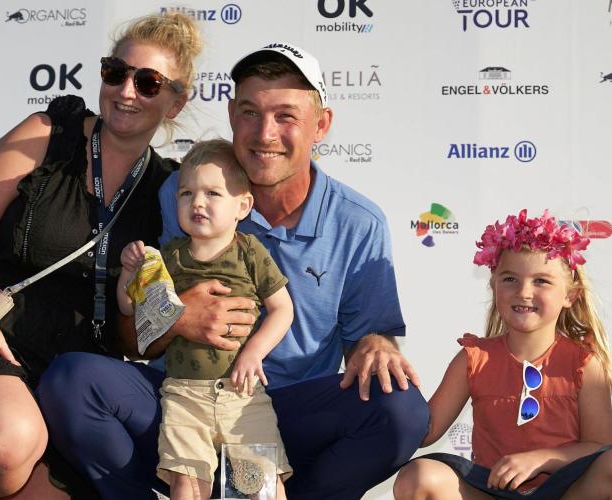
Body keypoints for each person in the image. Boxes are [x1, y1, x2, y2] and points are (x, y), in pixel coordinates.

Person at [39, 41, 429, 500]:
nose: (264, 133)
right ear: (230, 114)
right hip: (181, 398)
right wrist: (178, 319)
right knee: (73, 380)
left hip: (286, 413)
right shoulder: (180, 193)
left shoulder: (359, 221)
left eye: (285, 116)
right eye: (249, 113)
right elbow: (133, 338)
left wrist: (376, 345)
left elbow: (369, 337)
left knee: (400, 407)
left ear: (321, 125)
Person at [0, 11, 202, 499]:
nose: (126, 91)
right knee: (7, 440)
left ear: (176, 101)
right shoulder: (48, 134)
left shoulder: (169, 190)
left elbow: (138, 330)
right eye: (115, 73)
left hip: (74, 376)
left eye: (148, 83)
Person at [393, 209, 612, 499]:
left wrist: (542, 459)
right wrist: (389, 398)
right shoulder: (473, 358)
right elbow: (426, 431)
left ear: (570, 295)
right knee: (419, 475)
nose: (524, 292)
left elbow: (600, 447)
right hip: (490, 491)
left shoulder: (584, 362)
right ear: (493, 284)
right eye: (510, 279)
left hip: (566, 493)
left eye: (541, 281)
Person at [118, 138, 293, 499]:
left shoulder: (250, 252)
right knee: (186, 483)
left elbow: (283, 309)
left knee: (260, 485)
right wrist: (128, 274)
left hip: (243, 394)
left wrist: (253, 353)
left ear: (242, 206)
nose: (197, 202)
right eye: (187, 194)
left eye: (213, 193)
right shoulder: (167, 257)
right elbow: (130, 307)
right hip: (183, 395)